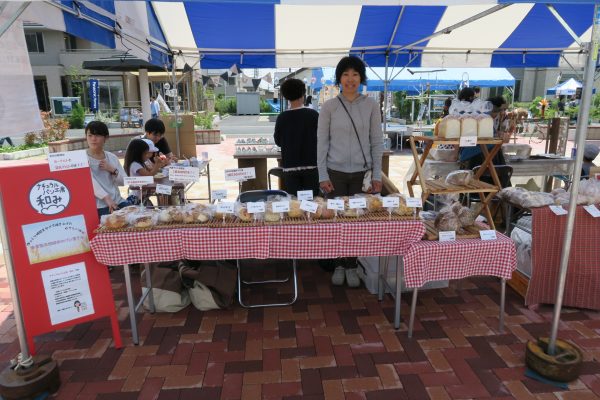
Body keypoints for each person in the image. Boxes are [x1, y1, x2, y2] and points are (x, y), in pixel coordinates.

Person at [317, 55, 383, 288]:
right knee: (335, 220)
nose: (350, 79)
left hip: (361, 174)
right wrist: (322, 175)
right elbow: (321, 143)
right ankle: (338, 263)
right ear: (339, 78)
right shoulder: (329, 107)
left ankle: (353, 264)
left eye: (355, 74)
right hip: (334, 172)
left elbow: (377, 142)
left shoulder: (371, 106)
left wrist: (377, 176)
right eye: (345, 74)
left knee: (357, 222)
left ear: (361, 78)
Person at [274, 78, 320, 196]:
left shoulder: (282, 117)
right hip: (312, 166)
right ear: (303, 94)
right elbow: (322, 138)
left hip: (290, 167)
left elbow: (278, 141)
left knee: (294, 205)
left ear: (285, 97)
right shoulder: (313, 115)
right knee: (312, 203)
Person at [85, 121, 132, 217]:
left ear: (106, 138)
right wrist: (106, 198)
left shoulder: (111, 157)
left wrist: (113, 170)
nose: (93, 139)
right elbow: (88, 181)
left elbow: (123, 182)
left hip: (118, 201)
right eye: (90, 135)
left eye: (97, 135)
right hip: (98, 206)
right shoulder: (82, 158)